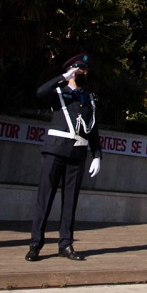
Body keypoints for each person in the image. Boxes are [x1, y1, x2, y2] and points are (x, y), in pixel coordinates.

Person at [26, 53, 102, 262]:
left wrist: (97, 155)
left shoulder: (89, 99)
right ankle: (35, 244)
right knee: (45, 200)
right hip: (55, 151)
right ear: (70, 71)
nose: (81, 74)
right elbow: (40, 92)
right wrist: (62, 76)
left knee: (70, 203)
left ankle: (65, 245)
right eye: (78, 70)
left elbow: (93, 129)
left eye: (84, 71)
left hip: (77, 154)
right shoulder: (58, 93)